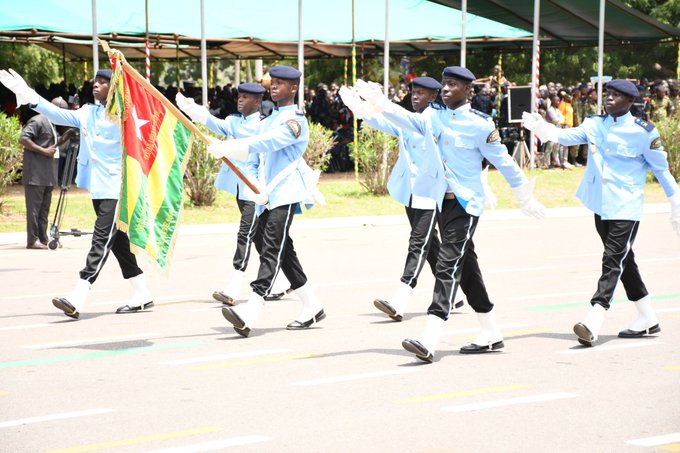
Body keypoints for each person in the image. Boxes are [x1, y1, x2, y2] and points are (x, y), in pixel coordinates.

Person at [354, 66, 545, 362]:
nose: (445, 89)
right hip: (442, 202)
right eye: (444, 84)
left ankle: (429, 337)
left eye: (452, 85)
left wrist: (523, 195)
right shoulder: (433, 116)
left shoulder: (481, 124)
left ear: (467, 90)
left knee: (446, 264)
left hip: (465, 204)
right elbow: (407, 121)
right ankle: (491, 331)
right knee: (467, 267)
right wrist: (380, 105)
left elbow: (504, 161)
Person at [522, 79, 680, 347]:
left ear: (630, 102)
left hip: (626, 206)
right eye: (608, 94)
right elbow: (566, 136)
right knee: (623, 260)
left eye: (617, 96)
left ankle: (594, 317)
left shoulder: (644, 133)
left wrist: (675, 203)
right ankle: (647, 317)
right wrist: (541, 127)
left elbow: (662, 171)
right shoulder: (594, 124)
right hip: (601, 204)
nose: (609, 99)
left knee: (612, 260)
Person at [0, 68, 154, 319]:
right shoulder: (87, 112)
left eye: (103, 83)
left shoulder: (127, 117)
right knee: (118, 244)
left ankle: (79, 293)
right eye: (96, 82)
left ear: (114, 89)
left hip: (118, 188)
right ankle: (142, 292)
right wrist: (27, 94)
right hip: (98, 187)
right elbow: (57, 115)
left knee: (101, 239)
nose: (96, 85)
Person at [341, 77, 483, 321]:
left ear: (433, 97)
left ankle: (400, 299)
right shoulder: (409, 119)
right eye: (413, 92)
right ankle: (455, 293)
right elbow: (383, 122)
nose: (415, 96)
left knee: (418, 243)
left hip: (433, 193)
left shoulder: (436, 120)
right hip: (412, 192)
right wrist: (359, 107)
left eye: (422, 93)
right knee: (432, 248)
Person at [207, 65, 325, 337]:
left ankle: (251, 310)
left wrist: (229, 147)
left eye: (282, 83)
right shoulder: (268, 118)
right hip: (266, 194)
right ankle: (312, 305)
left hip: (285, 193)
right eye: (274, 82)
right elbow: (254, 151)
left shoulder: (296, 122)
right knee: (283, 251)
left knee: (271, 248)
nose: (274, 86)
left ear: (293, 88)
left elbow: (268, 143)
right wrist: (252, 182)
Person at [176, 83, 288, 305]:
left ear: (257, 102)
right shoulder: (234, 121)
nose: (240, 100)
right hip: (239, 186)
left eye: (246, 97)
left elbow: (265, 152)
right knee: (259, 237)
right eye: (240, 96)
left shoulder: (264, 125)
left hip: (254, 188)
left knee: (245, 234)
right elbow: (216, 125)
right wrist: (194, 111)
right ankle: (283, 280)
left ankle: (234, 286)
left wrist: (232, 150)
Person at [19, 97, 70, 249]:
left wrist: (66, 136)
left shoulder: (52, 124)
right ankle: (32, 240)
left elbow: (52, 144)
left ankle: (43, 238)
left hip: (48, 174)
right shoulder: (38, 120)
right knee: (34, 210)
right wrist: (44, 151)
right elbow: (23, 138)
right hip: (35, 174)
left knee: (44, 210)